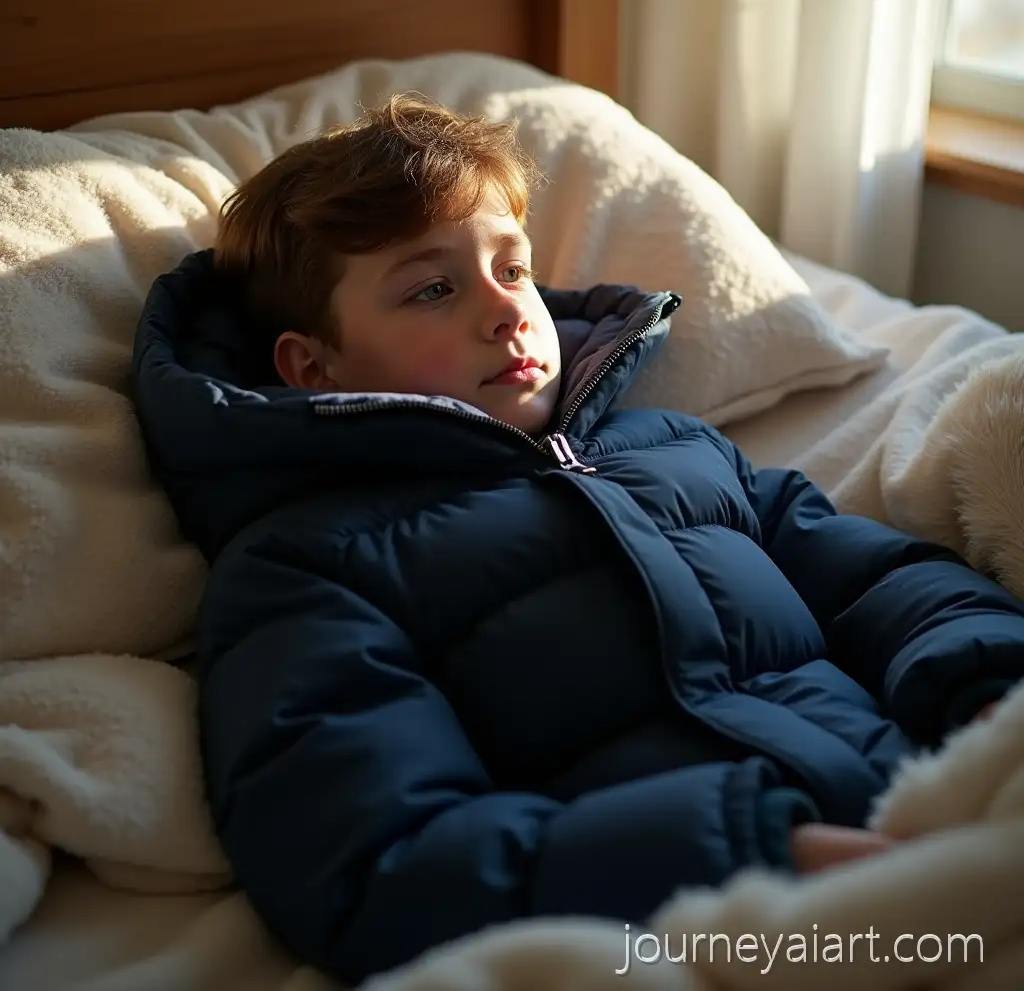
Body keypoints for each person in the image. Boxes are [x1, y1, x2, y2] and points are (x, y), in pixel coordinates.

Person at [131, 94, 1024, 986]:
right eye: (433, 287)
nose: (506, 311)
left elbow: (880, 577)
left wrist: (981, 684)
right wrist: (753, 842)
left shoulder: (678, 449)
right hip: (712, 921)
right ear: (314, 366)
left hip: (931, 810)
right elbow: (378, 858)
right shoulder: (306, 564)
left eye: (512, 270)